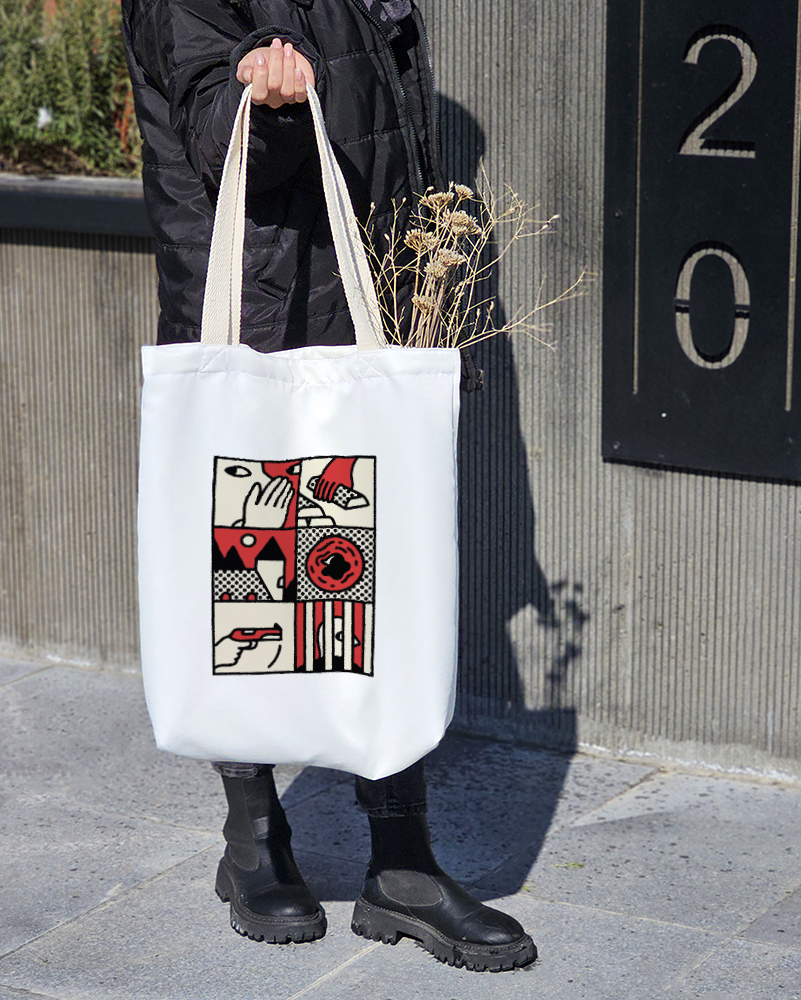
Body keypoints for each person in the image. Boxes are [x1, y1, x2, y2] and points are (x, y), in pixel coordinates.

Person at [120, 0, 536, 973]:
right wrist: (262, 105)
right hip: (261, 303)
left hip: (360, 301)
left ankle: (402, 861)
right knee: (257, 584)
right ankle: (254, 837)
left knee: (373, 582)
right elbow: (215, 134)